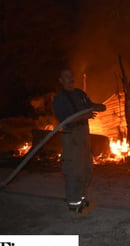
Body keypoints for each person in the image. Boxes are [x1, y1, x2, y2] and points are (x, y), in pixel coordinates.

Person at [52, 69, 106, 213]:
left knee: (86, 168)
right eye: (66, 76)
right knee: (73, 171)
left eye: (71, 76)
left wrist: (98, 106)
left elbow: (88, 105)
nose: (70, 79)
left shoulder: (79, 94)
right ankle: (74, 204)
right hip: (71, 136)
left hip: (83, 134)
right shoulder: (60, 99)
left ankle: (81, 198)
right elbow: (65, 119)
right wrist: (84, 116)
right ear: (61, 80)